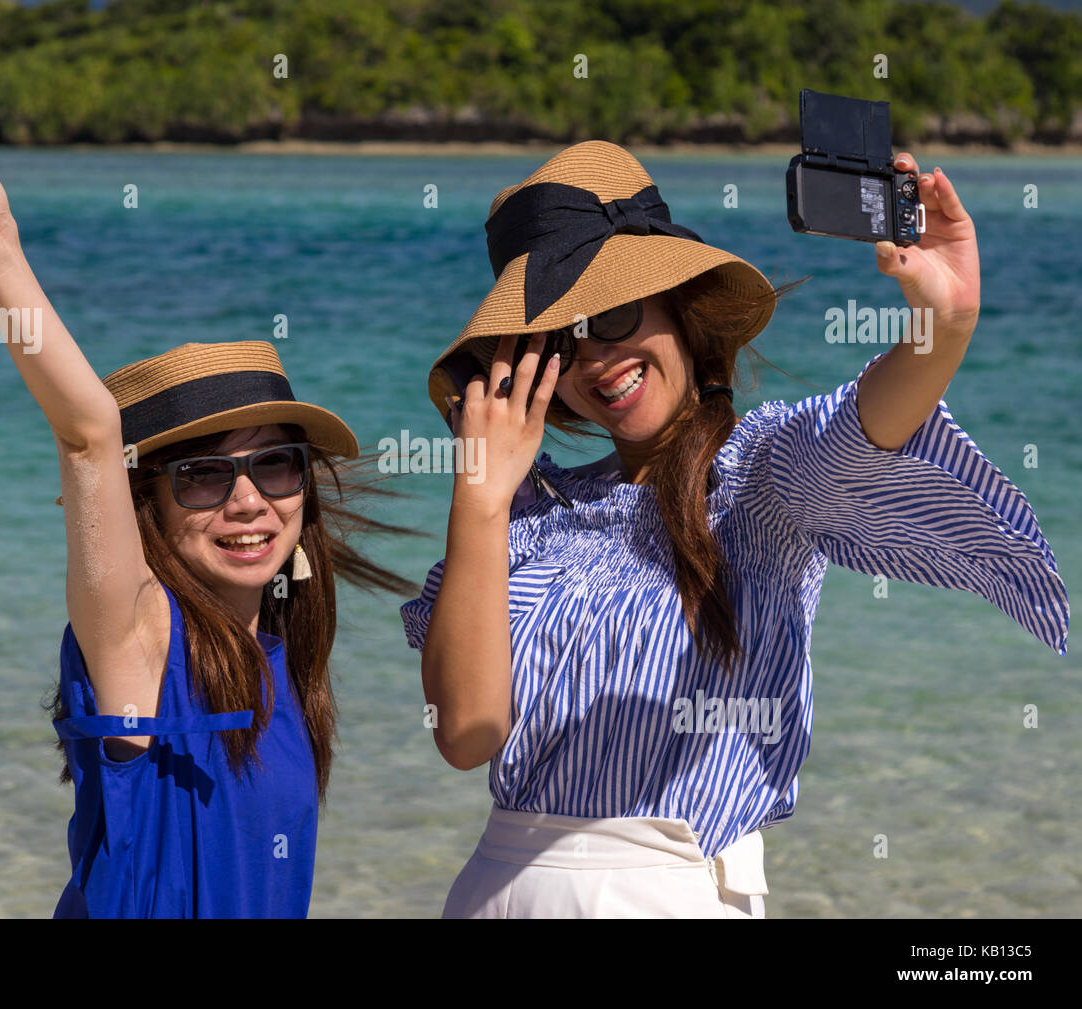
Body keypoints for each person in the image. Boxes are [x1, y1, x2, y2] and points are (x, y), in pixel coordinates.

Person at [400, 140, 1069, 918]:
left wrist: (943, 326)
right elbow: (467, 731)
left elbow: (860, 430)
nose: (597, 357)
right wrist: (479, 500)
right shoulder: (523, 515)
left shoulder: (760, 476)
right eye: (561, 340)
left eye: (611, 312)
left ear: (679, 303)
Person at [0, 82, 419, 918]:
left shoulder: (289, 663)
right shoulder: (141, 640)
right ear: (148, 501)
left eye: (277, 466)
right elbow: (86, 433)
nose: (249, 499)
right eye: (204, 475)